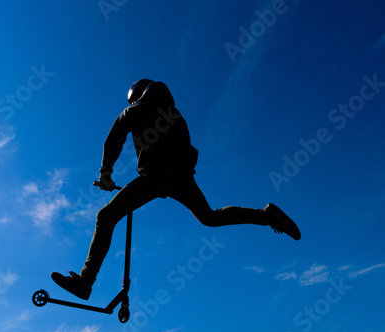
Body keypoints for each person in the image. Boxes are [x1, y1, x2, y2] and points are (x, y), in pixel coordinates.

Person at [51, 79, 301, 300]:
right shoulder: (176, 115)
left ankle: (85, 280)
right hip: (182, 179)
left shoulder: (136, 109)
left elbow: (115, 135)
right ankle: (265, 215)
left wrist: (106, 173)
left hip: (155, 177)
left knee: (105, 217)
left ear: (136, 96)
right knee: (210, 217)